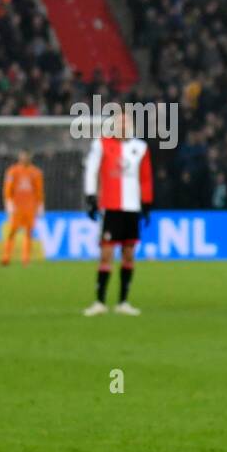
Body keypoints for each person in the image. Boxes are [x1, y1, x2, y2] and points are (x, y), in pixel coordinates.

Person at [82, 111, 152, 316]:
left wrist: (146, 204)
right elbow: (91, 170)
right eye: (120, 123)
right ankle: (100, 302)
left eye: (126, 123)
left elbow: (146, 178)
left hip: (132, 209)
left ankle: (123, 302)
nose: (123, 126)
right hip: (111, 207)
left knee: (129, 255)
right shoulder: (101, 144)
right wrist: (91, 197)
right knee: (106, 254)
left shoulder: (140, 147)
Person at [1, 151, 43, 266]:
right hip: (17, 207)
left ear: (30, 157)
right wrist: (8, 202)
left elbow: (39, 190)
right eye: (23, 156)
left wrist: (40, 205)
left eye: (27, 156)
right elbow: (8, 188)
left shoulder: (36, 172)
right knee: (12, 231)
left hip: (30, 207)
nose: (24, 158)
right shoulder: (13, 171)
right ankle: (6, 257)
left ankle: (25, 259)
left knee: (29, 232)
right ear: (19, 157)